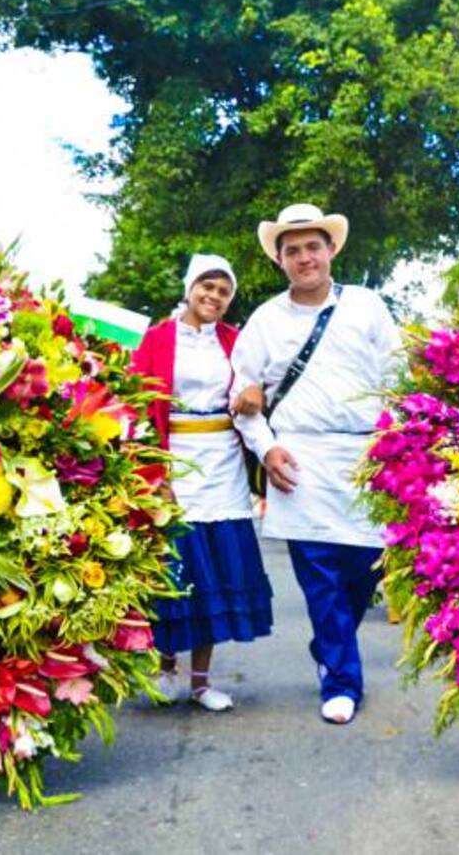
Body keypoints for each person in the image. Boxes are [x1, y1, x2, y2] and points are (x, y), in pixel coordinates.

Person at [231, 203, 399, 725]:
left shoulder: (368, 306)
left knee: (364, 570)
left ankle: (331, 643)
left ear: (331, 251)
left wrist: (399, 442)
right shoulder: (265, 320)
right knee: (320, 575)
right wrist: (267, 448)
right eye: (293, 250)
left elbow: (398, 375)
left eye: (313, 247)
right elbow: (242, 392)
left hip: (366, 457)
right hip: (299, 460)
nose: (305, 258)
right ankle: (343, 680)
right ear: (280, 260)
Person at [130, 254, 274, 711]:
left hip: (224, 466)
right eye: (206, 287)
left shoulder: (236, 340)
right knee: (176, 573)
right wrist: (156, 474)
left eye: (223, 291)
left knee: (215, 573)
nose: (213, 297)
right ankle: (166, 668)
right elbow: (137, 406)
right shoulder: (156, 340)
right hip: (176, 461)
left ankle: (201, 682)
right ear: (190, 288)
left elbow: (258, 386)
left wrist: (258, 395)